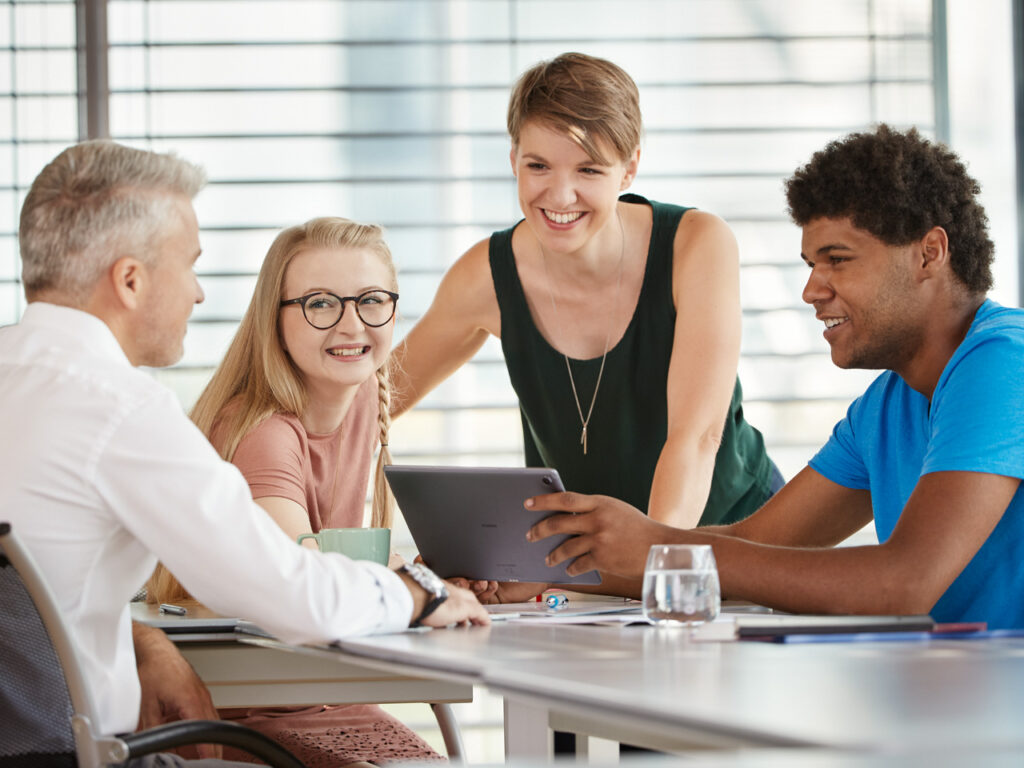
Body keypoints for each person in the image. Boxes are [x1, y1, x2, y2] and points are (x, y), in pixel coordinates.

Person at [0, 140, 488, 768]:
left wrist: (140, 640)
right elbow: (290, 594)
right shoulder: (119, 410)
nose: (200, 294)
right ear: (130, 281)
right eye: (190, 265)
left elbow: (45, 600)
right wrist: (419, 591)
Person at [526, 124, 1024, 630]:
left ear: (929, 253)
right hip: (950, 694)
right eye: (811, 264)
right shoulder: (886, 406)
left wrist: (656, 545)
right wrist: (551, 572)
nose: (811, 290)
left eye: (837, 260)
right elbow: (756, 543)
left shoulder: (1005, 362)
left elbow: (903, 583)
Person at [391, 53, 779, 553]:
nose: (561, 194)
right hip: (600, 566)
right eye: (538, 166)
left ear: (629, 169)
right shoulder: (485, 276)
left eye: (589, 169)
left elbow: (696, 437)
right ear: (513, 160)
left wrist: (653, 568)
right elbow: (372, 406)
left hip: (738, 535)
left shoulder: (697, 244)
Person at [148, 217, 444, 765]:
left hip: (322, 694)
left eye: (371, 301)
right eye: (320, 304)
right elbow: (299, 576)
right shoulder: (262, 431)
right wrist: (418, 589)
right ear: (275, 318)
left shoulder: (356, 400)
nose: (352, 325)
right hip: (246, 709)